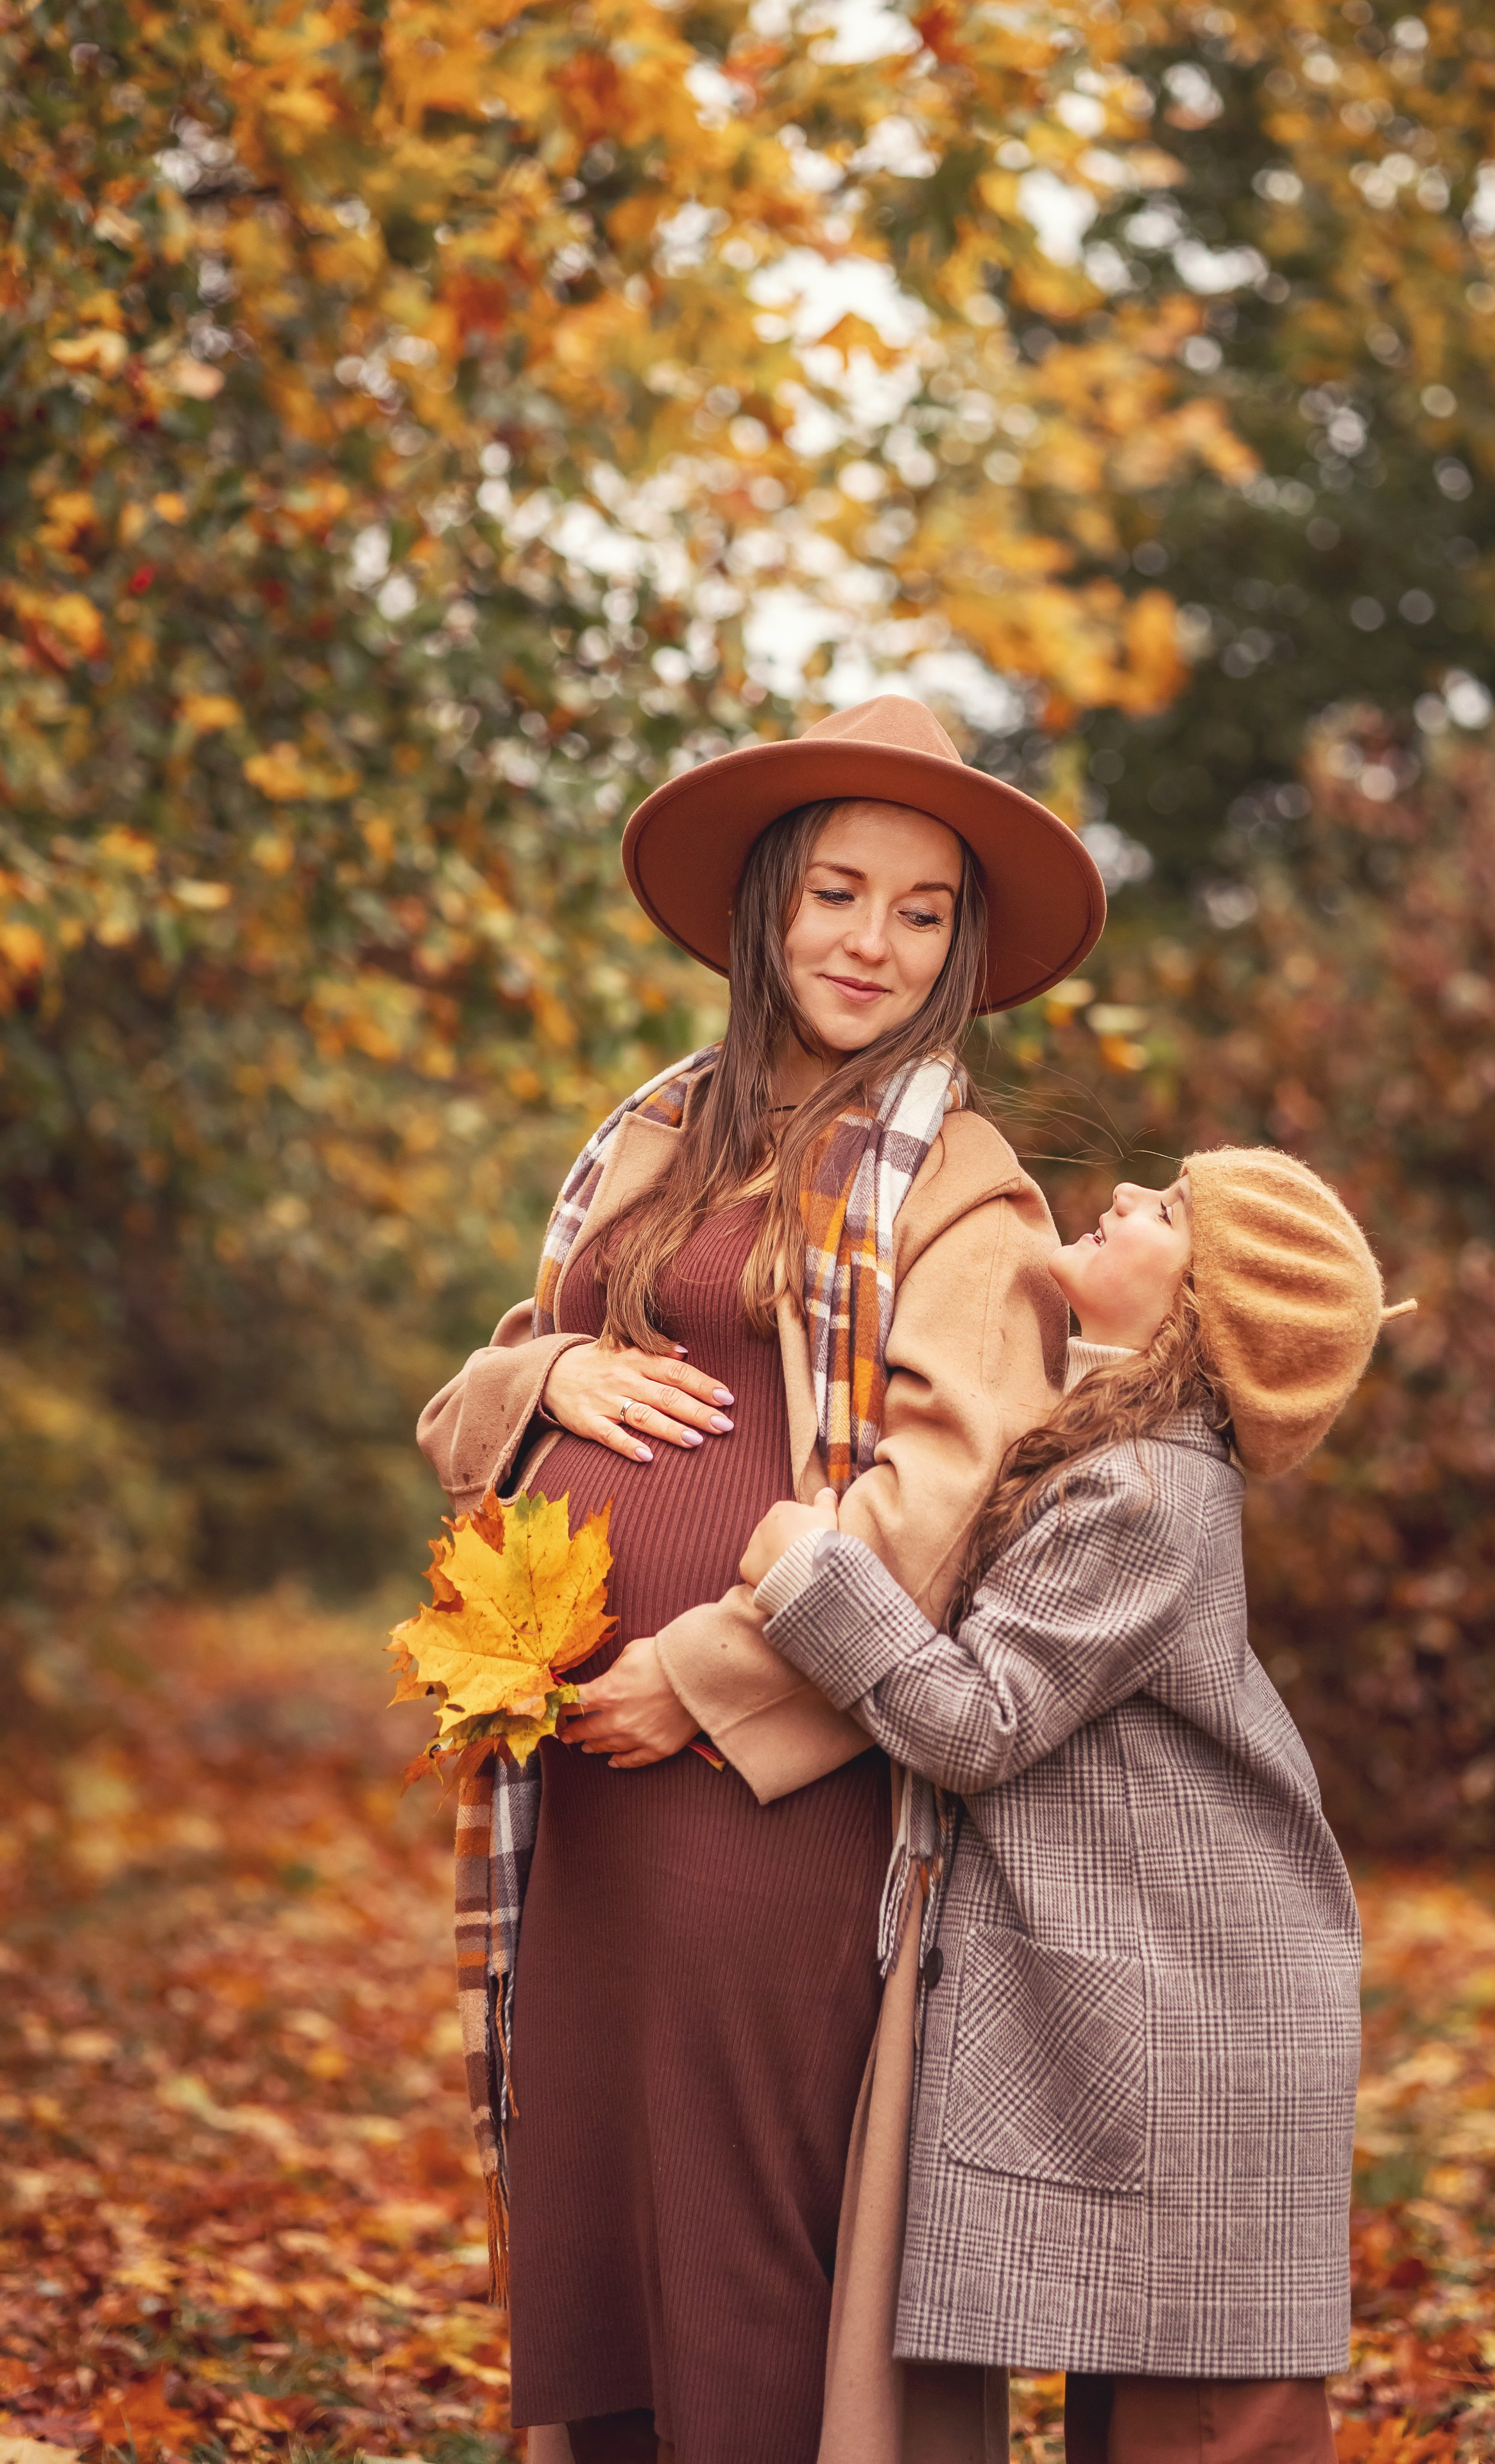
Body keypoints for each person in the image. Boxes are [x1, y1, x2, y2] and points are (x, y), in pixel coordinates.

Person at [416, 694, 1106, 2464]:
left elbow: (946, 1500)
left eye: (923, 909)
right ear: (766, 912)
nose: (874, 943)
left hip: (768, 1787)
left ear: (960, 948)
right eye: (838, 894)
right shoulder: (657, 1132)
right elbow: (477, 1386)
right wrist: (546, 1381)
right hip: (584, 1778)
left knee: (744, 2214)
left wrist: (708, 1677)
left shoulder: (967, 1188)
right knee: (597, 2190)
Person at [743, 1147, 1407, 2464]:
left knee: (1208, 2428)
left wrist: (813, 1575)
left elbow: (974, 1724)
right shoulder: (1119, 1456)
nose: (1118, 1201)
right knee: (1146, 2413)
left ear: (1201, 1308)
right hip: (1183, 2005)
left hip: (1199, 2025)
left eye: (1163, 1212)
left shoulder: (1142, 1492)